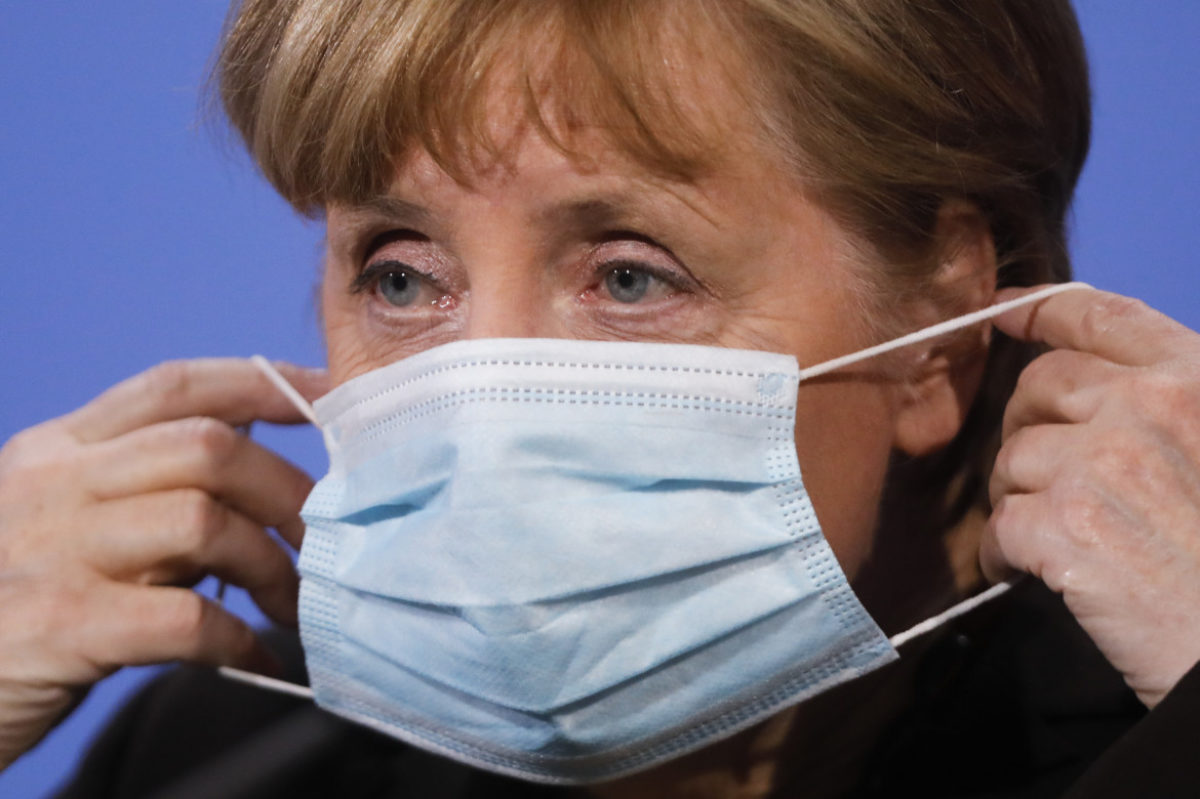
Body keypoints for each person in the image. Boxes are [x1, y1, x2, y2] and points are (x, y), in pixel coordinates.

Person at [1, 0, 1199, 796]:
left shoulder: (1145, 727)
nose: (488, 404)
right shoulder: (212, 757)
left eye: (630, 275)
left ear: (940, 330)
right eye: (402, 276)